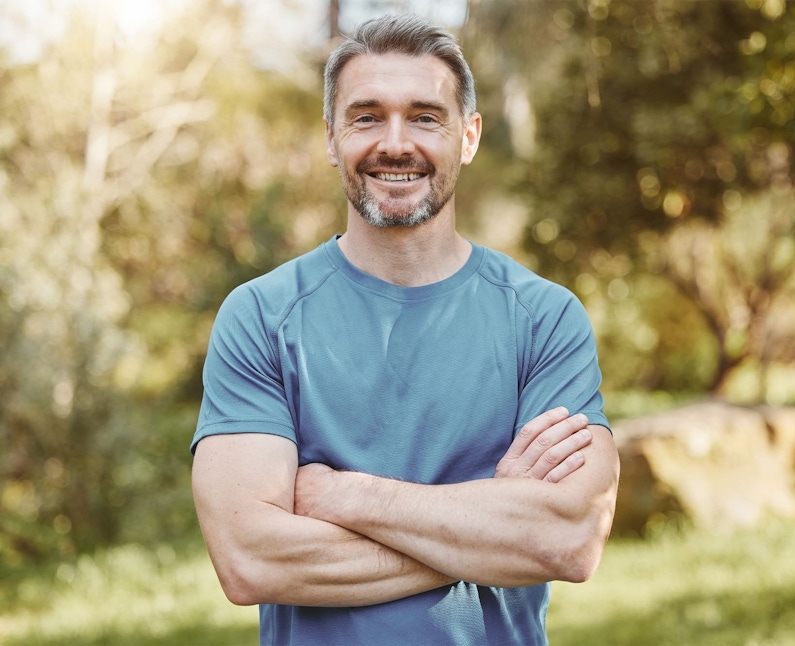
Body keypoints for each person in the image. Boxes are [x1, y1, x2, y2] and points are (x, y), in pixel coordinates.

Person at [191, 13, 619, 646]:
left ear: (468, 136)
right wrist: (489, 525)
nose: (396, 143)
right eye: (366, 117)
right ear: (332, 138)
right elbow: (251, 560)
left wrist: (343, 497)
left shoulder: (545, 319)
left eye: (425, 117)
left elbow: (568, 539)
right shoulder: (260, 317)